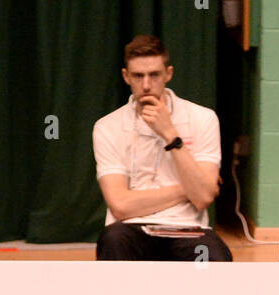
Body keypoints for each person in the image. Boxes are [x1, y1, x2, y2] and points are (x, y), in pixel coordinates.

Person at [93, 34, 232, 262]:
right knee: (113, 241)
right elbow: (120, 206)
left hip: (187, 227)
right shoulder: (107, 127)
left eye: (154, 75)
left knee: (214, 256)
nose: (146, 85)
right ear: (126, 77)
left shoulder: (203, 118)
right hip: (130, 228)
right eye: (138, 76)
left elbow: (204, 197)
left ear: (168, 74)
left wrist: (170, 135)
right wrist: (188, 188)